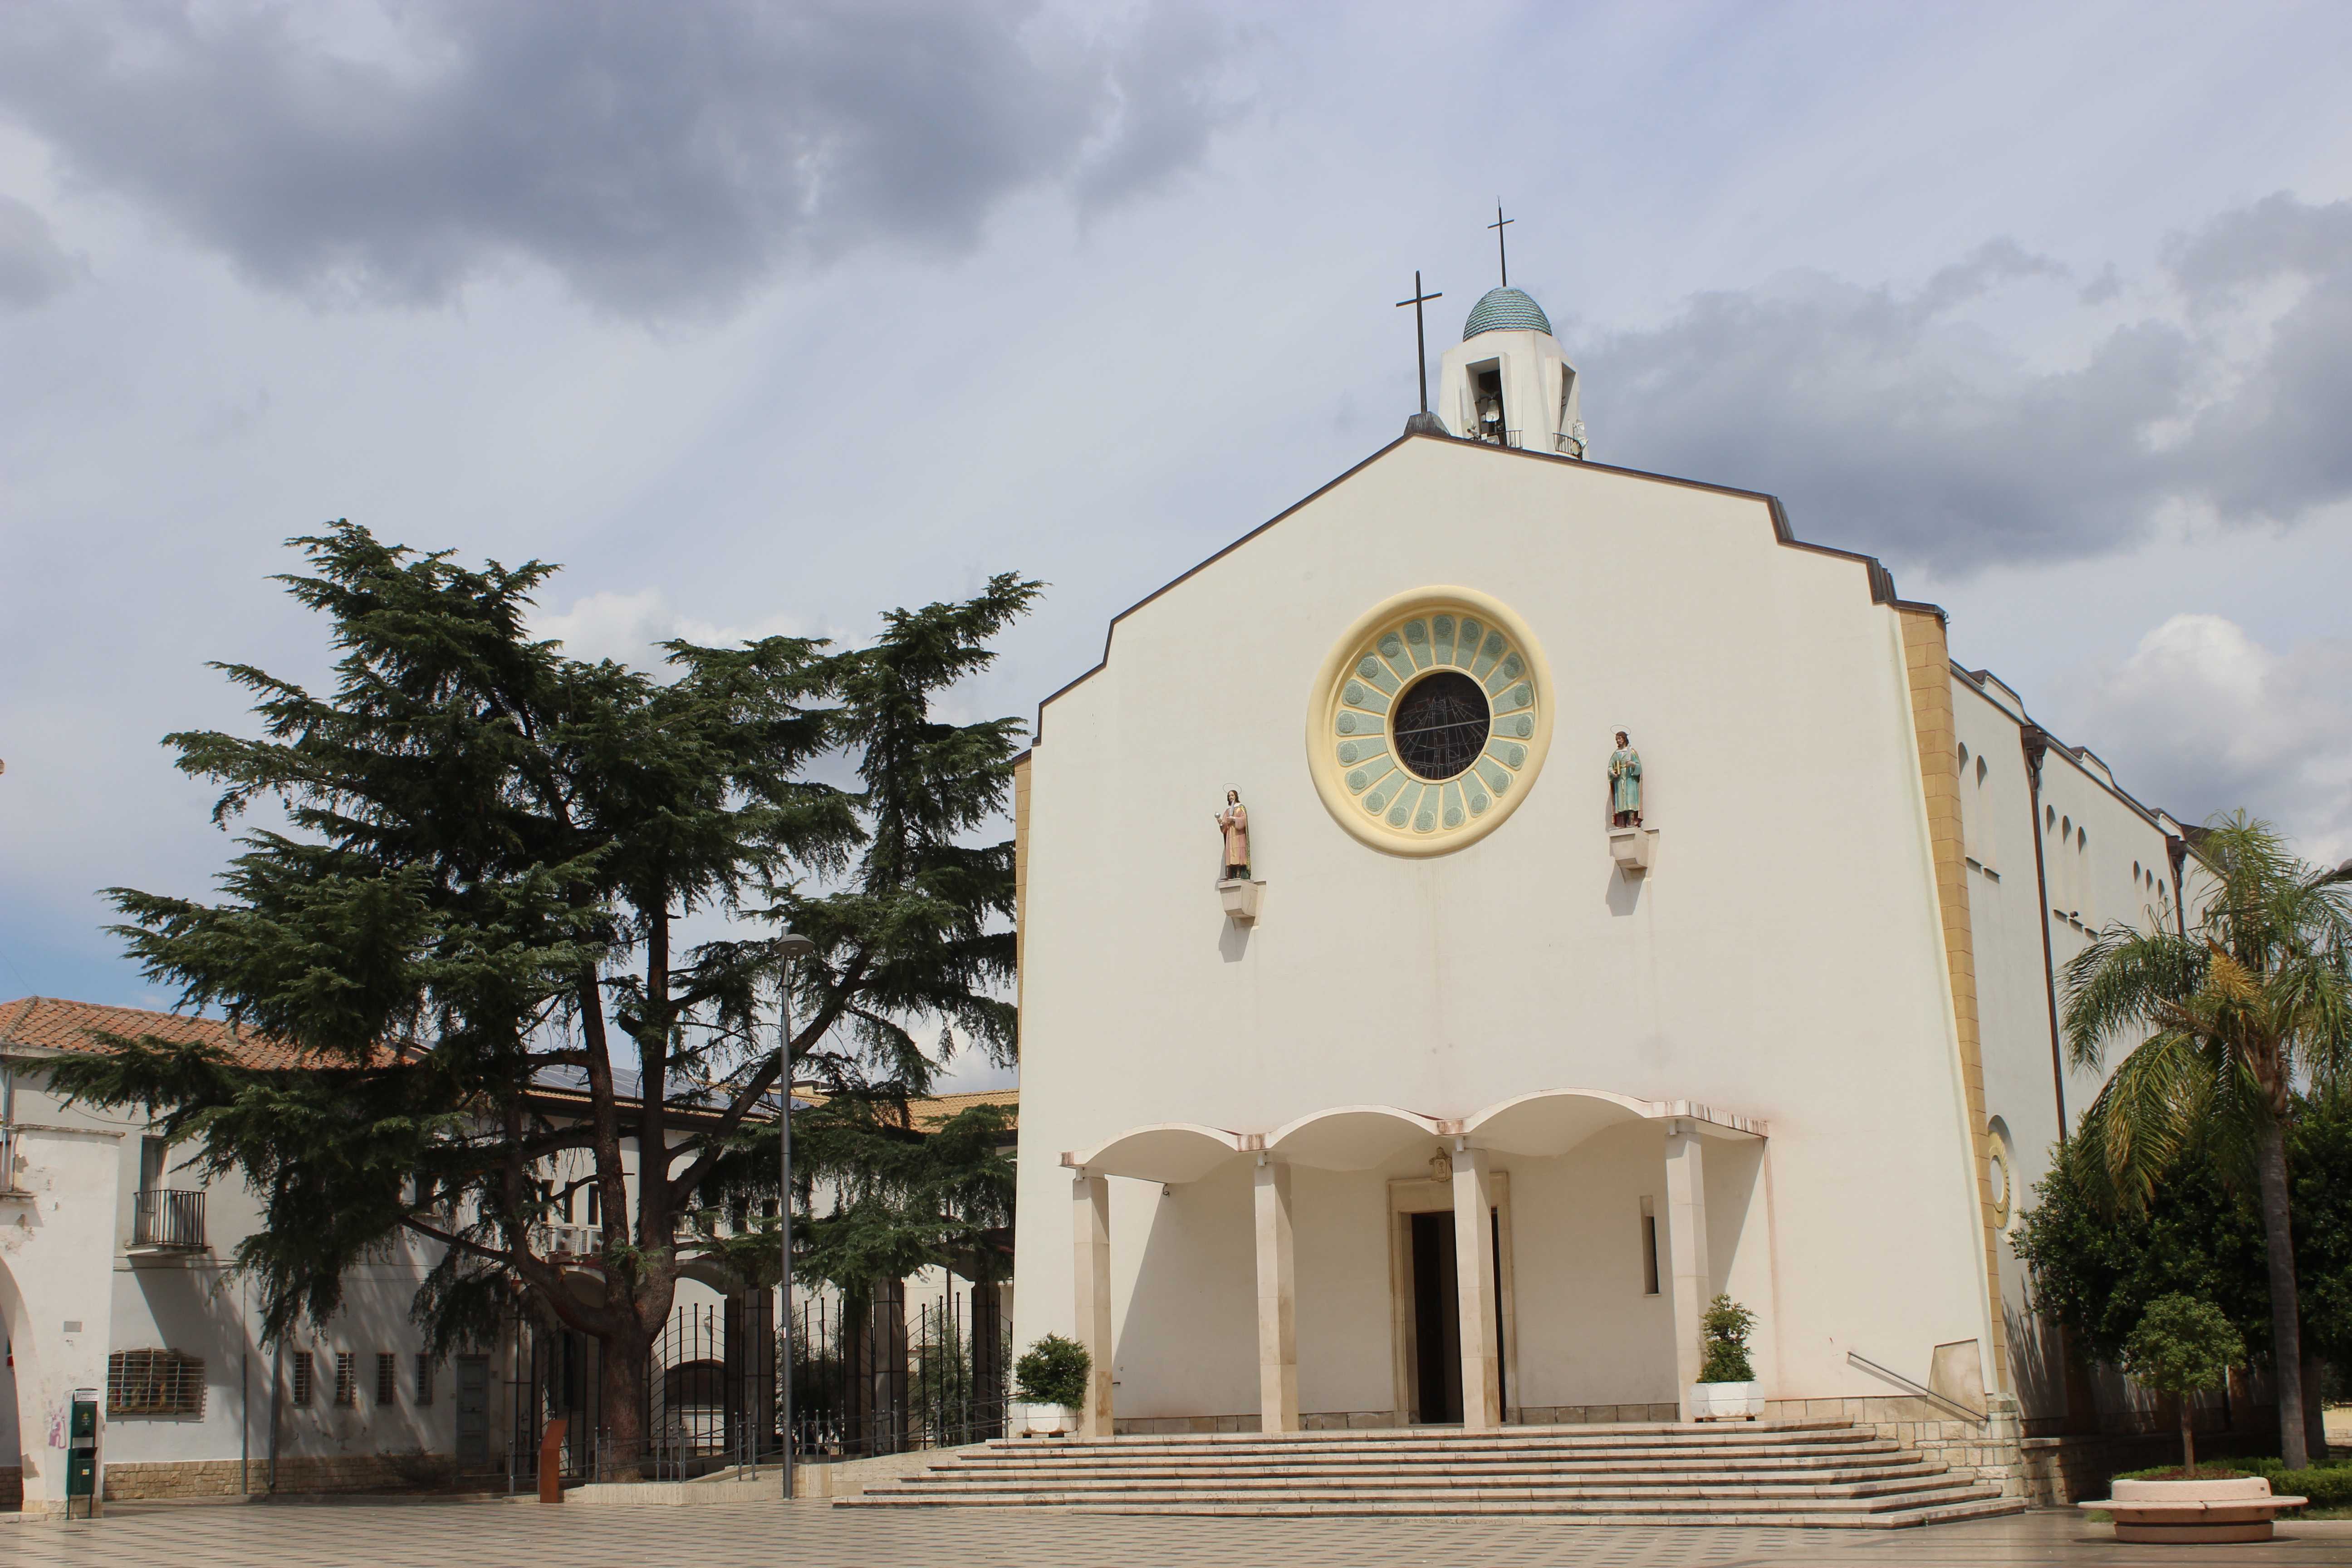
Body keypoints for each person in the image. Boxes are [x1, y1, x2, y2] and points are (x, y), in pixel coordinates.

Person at [1215, 789, 1251, 881]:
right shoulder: (1228, 810)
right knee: (1231, 853)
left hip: (1238, 834)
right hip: (1231, 834)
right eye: (1229, 796)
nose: (1231, 797)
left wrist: (1234, 819)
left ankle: (1239, 873)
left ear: (1236, 796)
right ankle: (1230, 874)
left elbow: (1244, 820)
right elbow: (1225, 824)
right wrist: (1221, 823)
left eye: (1232, 795)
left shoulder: (1240, 808)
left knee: (1238, 853)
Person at [1609, 732, 1643, 827]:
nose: (1618, 741)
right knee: (1621, 802)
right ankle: (1622, 823)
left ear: (1624, 739)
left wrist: (1633, 765)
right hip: (1620, 780)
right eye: (1617, 740)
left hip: (1630, 779)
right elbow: (1610, 767)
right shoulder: (1616, 754)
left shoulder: (1631, 752)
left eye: (1620, 739)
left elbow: (1639, 767)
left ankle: (1632, 821)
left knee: (1631, 801)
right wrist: (1612, 772)